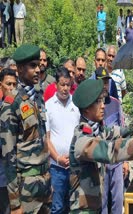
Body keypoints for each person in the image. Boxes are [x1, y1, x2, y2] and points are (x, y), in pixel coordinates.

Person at [69, 79, 133, 212]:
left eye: (102, 101)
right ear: (87, 108)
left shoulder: (99, 131)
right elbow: (110, 151)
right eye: (98, 102)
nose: (103, 106)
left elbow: (123, 131)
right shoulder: (81, 139)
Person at [0, 44, 51, 213]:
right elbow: (8, 157)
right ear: (20, 69)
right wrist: (14, 203)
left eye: (39, 65)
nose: (38, 69)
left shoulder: (38, 97)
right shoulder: (11, 104)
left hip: (44, 184)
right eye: (32, 66)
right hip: (26, 189)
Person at [45, 67, 80, 214]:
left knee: (74, 207)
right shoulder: (48, 106)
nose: (65, 88)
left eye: (68, 85)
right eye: (62, 84)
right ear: (56, 85)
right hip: (56, 169)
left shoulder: (76, 105)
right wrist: (58, 158)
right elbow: (46, 139)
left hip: (75, 168)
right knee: (58, 207)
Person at [92, 67, 126, 214]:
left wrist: (125, 161)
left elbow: (123, 130)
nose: (105, 85)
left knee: (118, 201)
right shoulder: (91, 106)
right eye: (102, 82)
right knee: (103, 202)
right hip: (101, 162)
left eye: (107, 82)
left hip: (117, 159)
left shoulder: (116, 103)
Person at [0, 68, 17, 214]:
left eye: (14, 84)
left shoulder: (19, 111)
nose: (11, 88)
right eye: (8, 84)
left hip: (12, 178)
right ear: (1, 85)